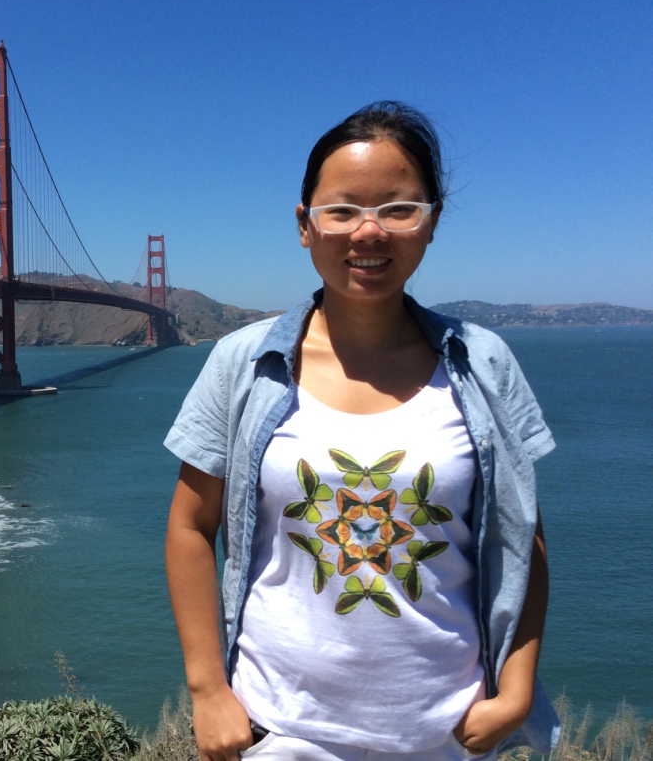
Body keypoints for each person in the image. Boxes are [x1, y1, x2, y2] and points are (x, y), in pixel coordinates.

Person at [164, 101, 558, 760]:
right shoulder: (243, 363)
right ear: (304, 225)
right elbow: (187, 527)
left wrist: (515, 693)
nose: (368, 233)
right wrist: (208, 690)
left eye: (399, 209)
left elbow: (526, 537)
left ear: (430, 224)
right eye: (342, 210)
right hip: (280, 730)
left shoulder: (484, 362)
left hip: (449, 732)